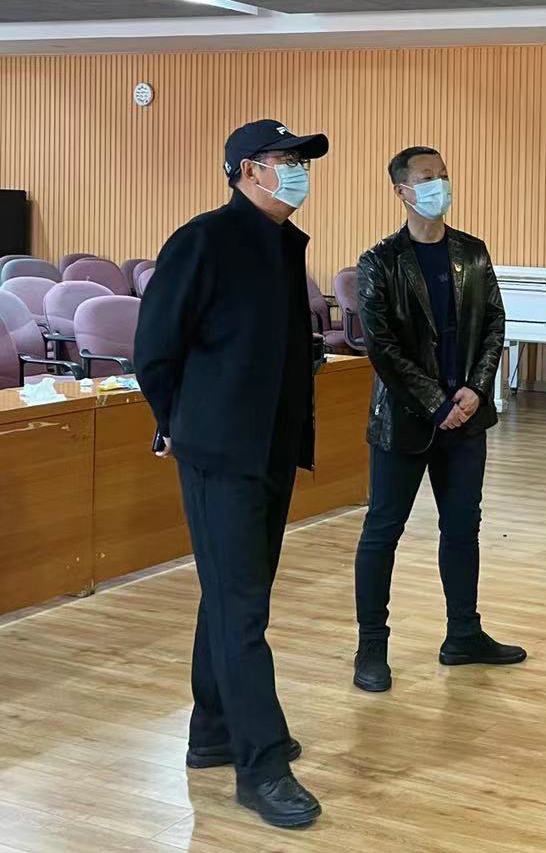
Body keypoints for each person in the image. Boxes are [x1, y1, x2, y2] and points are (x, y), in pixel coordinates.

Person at [134, 119, 329, 828]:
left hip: (269, 446)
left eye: (302, 161)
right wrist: (175, 423)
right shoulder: (203, 241)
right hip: (220, 451)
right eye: (288, 159)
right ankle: (261, 765)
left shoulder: (282, 244)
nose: (300, 171)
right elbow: (155, 350)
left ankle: (213, 729)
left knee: (232, 594)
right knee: (242, 607)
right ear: (249, 170)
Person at [351, 145, 525, 694]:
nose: (440, 185)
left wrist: (476, 388)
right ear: (402, 191)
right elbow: (381, 347)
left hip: (466, 416)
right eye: (428, 177)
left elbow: (494, 324)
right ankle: (371, 647)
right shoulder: (379, 261)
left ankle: (464, 634)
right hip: (404, 419)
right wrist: (436, 402)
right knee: (383, 531)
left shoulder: (472, 253)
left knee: (462, 527)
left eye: (444, 175)